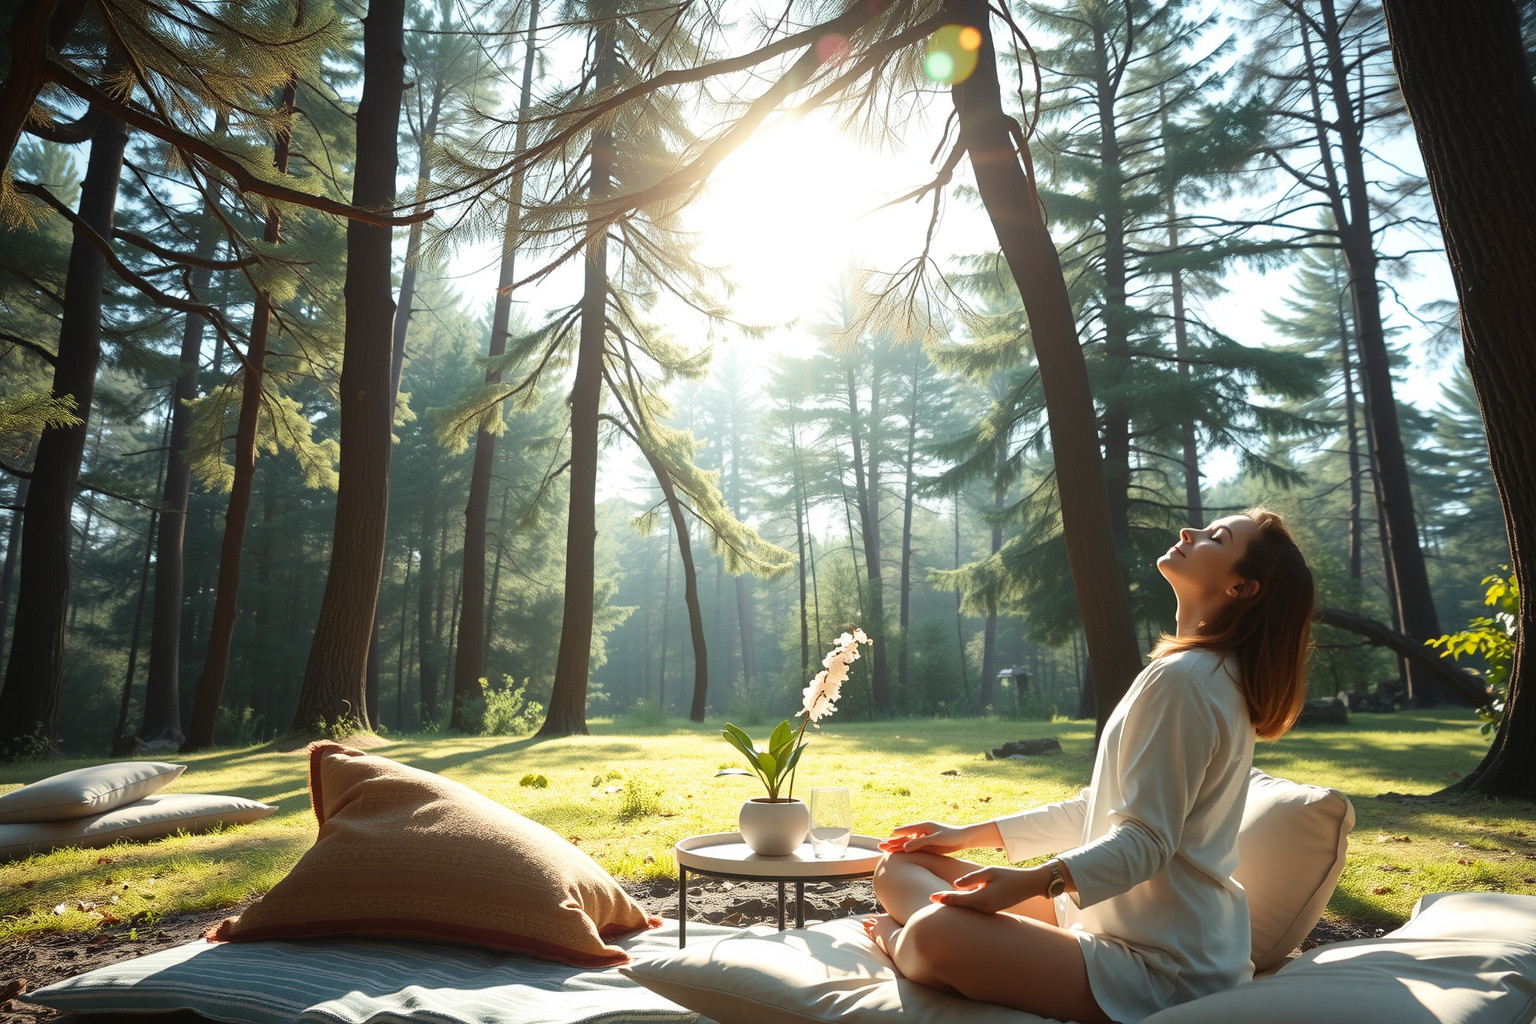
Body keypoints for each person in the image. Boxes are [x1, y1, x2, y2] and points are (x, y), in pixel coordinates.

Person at [864, 508, 1315, 1024]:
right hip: (1099, 918)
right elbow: (1096, 808)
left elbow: (1147, 841)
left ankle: (905, 944)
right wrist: (964, 836)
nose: (1189, 532)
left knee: (933, 932)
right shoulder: (1191, 672)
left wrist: (1034, 881)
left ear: (1241, 587)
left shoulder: (1188, 681)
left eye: (1217, 537)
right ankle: (953, 942)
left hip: (1162, 966)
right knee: (898, 866)